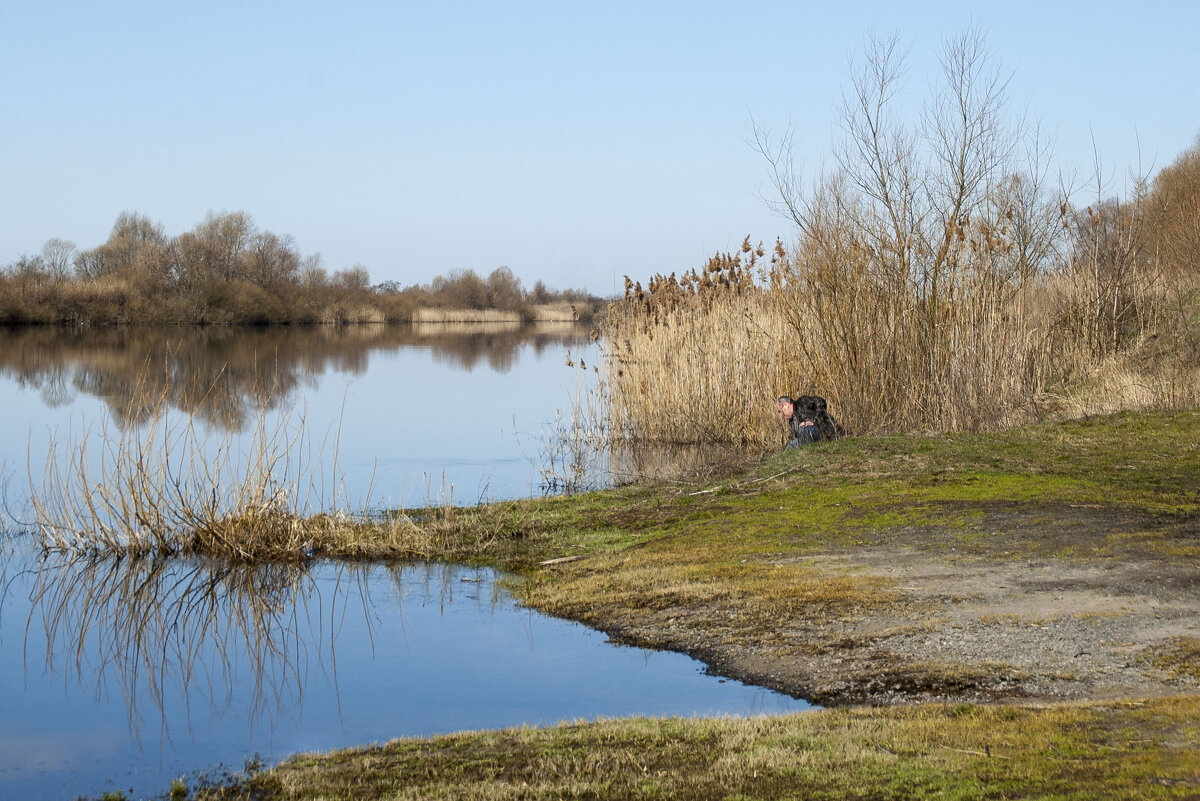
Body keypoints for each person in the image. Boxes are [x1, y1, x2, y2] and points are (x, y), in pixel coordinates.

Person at [775, 394, 843, 448]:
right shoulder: (792, 421)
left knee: (803, 430)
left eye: (780, 411)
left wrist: (813, 421)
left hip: (824, 432)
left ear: (786, 405)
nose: (781, 415)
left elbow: (820, 402)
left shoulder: (802, 401)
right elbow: (792, 437)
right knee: (790, 446)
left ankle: (808, 453)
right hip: (807, 437)